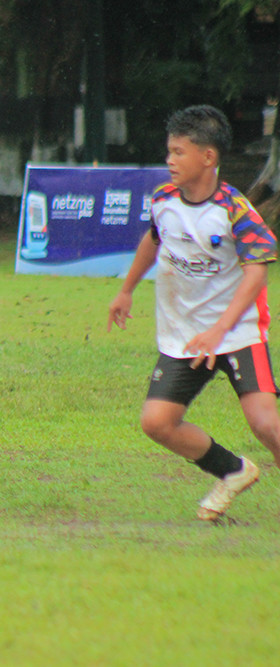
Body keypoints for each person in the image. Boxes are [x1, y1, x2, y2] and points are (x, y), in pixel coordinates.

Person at [108, 104, 280, 521]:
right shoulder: (164, 200)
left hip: (237, 333)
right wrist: (126, 289)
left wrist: (220, 329)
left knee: (265, 423)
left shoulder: (235, 209)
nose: (170, 160)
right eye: (169, 151)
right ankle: (233, 471)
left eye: (179, 152)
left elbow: (256, 274)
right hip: (185, 335)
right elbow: (153, 239)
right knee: (157, 422)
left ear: (208, 157)